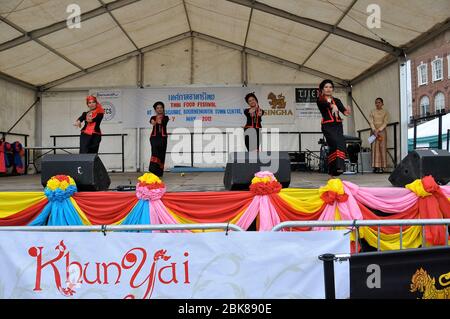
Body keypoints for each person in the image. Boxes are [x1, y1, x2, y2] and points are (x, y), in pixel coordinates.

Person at [316, 79, 351, 178]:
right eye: (326, 87)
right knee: (335, 143)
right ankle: (334, 169)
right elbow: (324, 104)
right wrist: (331, 105)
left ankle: (335, 170)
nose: (328, 89)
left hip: (338, 126)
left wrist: (347, 111)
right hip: (327, 126)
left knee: (341, 144)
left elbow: (344, 112)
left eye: (330, 87)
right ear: (322, 89)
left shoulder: (337, 100)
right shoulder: (320, 100)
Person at [149, 101, 169, 177]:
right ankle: (152, 170)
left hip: (163, 138)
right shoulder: (153, 117)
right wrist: (153, 122)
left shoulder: (166, 117)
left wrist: (157, 121)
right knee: (155, 153)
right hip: (154, 138)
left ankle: (159, 172)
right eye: (157, 108)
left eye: (161, 108)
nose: (159, 109)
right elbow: (152, 121)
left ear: (163, 109)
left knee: (161, 154)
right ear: (155, 110)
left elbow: (162, 122)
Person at [369, 97, 389, 173]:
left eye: (379, 102)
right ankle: (375, 167)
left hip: (382, 132)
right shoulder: (372, 111)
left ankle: (381, 167)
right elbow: (370, 121)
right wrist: (374, 130)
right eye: (376, 102)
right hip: (374, 132)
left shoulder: (385, 112)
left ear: (382, 103)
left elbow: (385, 122)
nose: (377, 104)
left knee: (382, 148)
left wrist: (379, 130)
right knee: (374, 148)